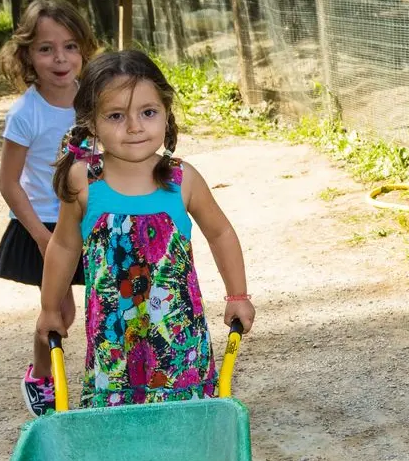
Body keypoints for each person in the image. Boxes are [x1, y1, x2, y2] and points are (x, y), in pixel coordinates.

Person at [36, 50, 253, 407]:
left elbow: (221, 233)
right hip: (113, 340)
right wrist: (49, 308)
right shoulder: (85, 182)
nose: (135, 126)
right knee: (118, 427)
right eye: (117, 115)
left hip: (178, 337)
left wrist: (238, 296)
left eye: (148, 112)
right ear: (91, 122)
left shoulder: (183, 180)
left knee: (184, 417)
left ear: (166, 114)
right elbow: (63, 246)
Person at [0, 0, 100, 414]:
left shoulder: (95, 100)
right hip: (46, 225)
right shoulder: (25, 114)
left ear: (84, 50)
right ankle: (40, 376)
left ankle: (116, 377)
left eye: (70, 46)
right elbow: (8, 184)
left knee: (110, 300)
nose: (60, 58)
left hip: (91, 219)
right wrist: (42, 236)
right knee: (59, 311)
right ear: (27, 56)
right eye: (46, 49)